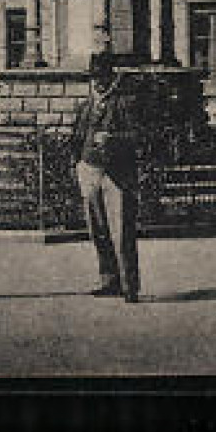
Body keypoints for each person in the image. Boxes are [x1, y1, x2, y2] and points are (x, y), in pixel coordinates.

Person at [72, 53, 142, 303]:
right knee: (98, 230)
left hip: (117, 175)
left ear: (112, 78)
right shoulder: (85, 106)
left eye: (102, 77)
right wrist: (78, 163)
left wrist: (114, 140)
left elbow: (138, 137)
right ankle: (109, 280)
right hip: (90, 171)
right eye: (94, 78)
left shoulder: (124, 103)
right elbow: (77, 137)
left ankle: (129, 285)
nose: (98, 83)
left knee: (121, 230)